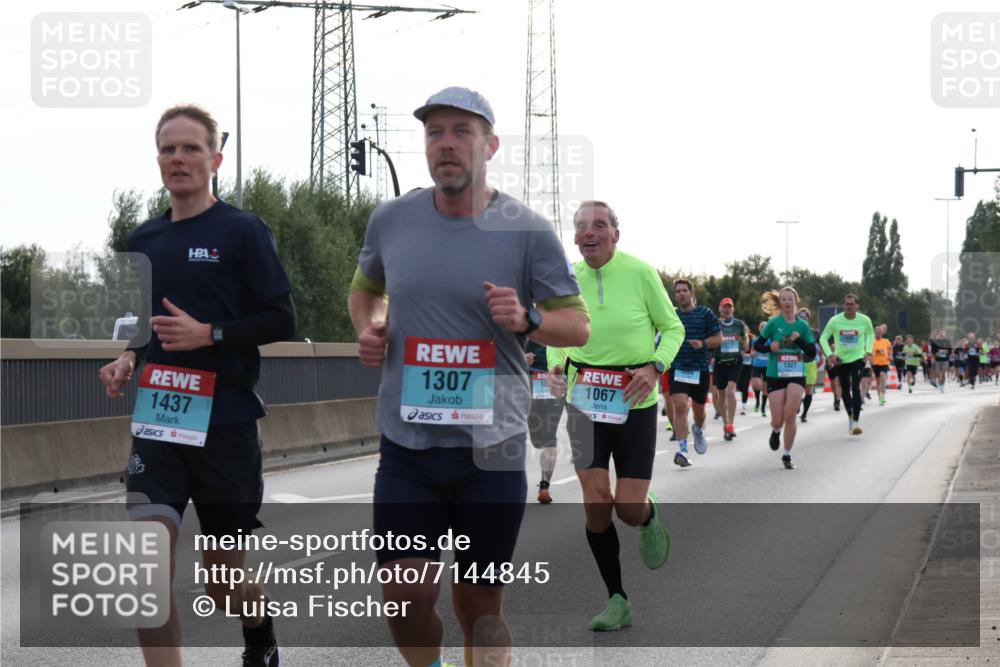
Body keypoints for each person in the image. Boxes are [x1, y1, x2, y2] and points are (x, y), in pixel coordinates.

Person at [348, 87, 589, 667]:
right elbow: (365, 291)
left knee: (478, 607)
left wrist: (529, 318)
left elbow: (576, 326)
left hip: (493, 450)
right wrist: (370, 327)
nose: (446, 144)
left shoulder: (526, 231)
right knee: (404, 600)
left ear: (490, 145)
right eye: (435, 133)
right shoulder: (392, 219)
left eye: (461, 131)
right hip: (409, 446)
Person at [99, 105, 297, 667]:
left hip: (226, 427)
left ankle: (258, 635)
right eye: (168, 149)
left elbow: (282, 320)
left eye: (190, 149)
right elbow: (141, 324)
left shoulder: (241, 230)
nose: (178, 159)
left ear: (215, 159)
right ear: (157, 159)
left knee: (222, 581)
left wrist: (208, 333)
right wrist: (126, 358)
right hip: (160, 424)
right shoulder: (145, 236)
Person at [545, 201, 683, 630]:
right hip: (585, 400)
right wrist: (554, 364)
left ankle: (647, 514)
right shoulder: (566, 279)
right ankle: (617, 599)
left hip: (635, 401)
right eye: (582, 226)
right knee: (596, 504)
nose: (590, 232)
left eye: (599, 225)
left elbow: (673, 328)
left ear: (615, 234)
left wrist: (654, 366)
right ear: (574, 236)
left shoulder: (641, 273)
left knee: (626, 508)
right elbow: (557, 333)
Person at [754, 288, 816, 469]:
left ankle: (787, 455)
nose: (787, 302)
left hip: (796, 373)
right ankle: (775, 431)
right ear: (780, 303)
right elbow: (758, 345)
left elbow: (811, 353)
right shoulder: (773, 323)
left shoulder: (803, 326)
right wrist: (769, 347)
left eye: (790, 299)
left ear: (795, 302)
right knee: (778, 419)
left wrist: (799, 341)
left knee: (791, 415)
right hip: (775, 374)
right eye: (784, 299)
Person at [668, 279, 723, 467]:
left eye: (684, 290)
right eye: (678, 291)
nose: (681, 294)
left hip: (699, 369)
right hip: (678, 367)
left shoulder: (705, 313)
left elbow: (719, 339)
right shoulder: (672, 316)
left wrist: (703, 343)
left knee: (699, 412)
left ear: (692, 293)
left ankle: (698, 429)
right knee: (680, 405)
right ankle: (683, 449)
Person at [819, 293, 875, 436]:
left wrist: (868, 351)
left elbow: (870, 335)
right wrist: (830, 355)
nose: (849, 307)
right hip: (841, 359)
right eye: (847, 304)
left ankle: (856, 422)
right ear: (844, 305)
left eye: (852, 304)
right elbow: (823, 338)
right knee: (844, 389)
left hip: (858, 358)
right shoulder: (835, 320)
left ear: (857, 306)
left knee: (855, 387)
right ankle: (850, 415)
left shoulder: (864, 320)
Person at [525, 341, 564, 503]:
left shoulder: (564, 317)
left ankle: (544, 486)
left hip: (555, 380)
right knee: (537, 440)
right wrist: (522, 356)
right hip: (530, 378)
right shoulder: (527, 316)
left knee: (549, 434)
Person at [714, 298, 747, 440]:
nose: (727, 310)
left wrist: (745, 344)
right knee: (720, 395)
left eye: (729, 307)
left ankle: (731, 424)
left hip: (735, 361)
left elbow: (745, 339)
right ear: (720, 309)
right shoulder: (715, 324)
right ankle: (725, 423)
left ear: (733, 309)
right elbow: (711, 339)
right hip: (720, 362)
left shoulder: (739, 324)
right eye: (724, 307)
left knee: (730, 390)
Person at [796, 307, 822, 422]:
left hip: (810, 363)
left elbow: (822, 347)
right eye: (800, 317)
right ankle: (796, 405)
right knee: (797, 389)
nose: (803, 319)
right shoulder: (794, 331)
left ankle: (804, 414)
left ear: (808, 318)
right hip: (797, 363)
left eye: (805, 316)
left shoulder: (815, 333)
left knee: (808, 389)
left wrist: (829, 357)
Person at [751, 321, 770, 417]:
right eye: (762, 326)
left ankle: (762, 408)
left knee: (765, 388)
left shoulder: (771, 340)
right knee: (756, 384)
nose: (763, 328)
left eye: (765, 327)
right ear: (759, 329)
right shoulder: (755, 340)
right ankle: (757, 401)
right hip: (757, 365)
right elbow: (752, 351)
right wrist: (752, 353)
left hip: (767, 366)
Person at [871, 324, 893, 406]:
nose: (878, 334)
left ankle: (882, 397)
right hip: (875, 363)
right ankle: (880, 398)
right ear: (874, 333)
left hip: (884, 362)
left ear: (882, 333)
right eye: (877, 332)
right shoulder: (872, 342)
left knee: (882, 377)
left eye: (880, 332)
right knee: (878, 382)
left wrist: (890, 355)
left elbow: (890, 349)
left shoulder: (886, 341)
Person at [738, 322, 754, 416]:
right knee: (739, 385)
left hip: (748, 365)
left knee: (745, 385)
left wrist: (750, 353)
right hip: (738, 364)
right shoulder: (738, 339)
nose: (744, 331)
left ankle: (743, 406)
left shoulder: (752, 339)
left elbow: (755, 350)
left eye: (745, 329)